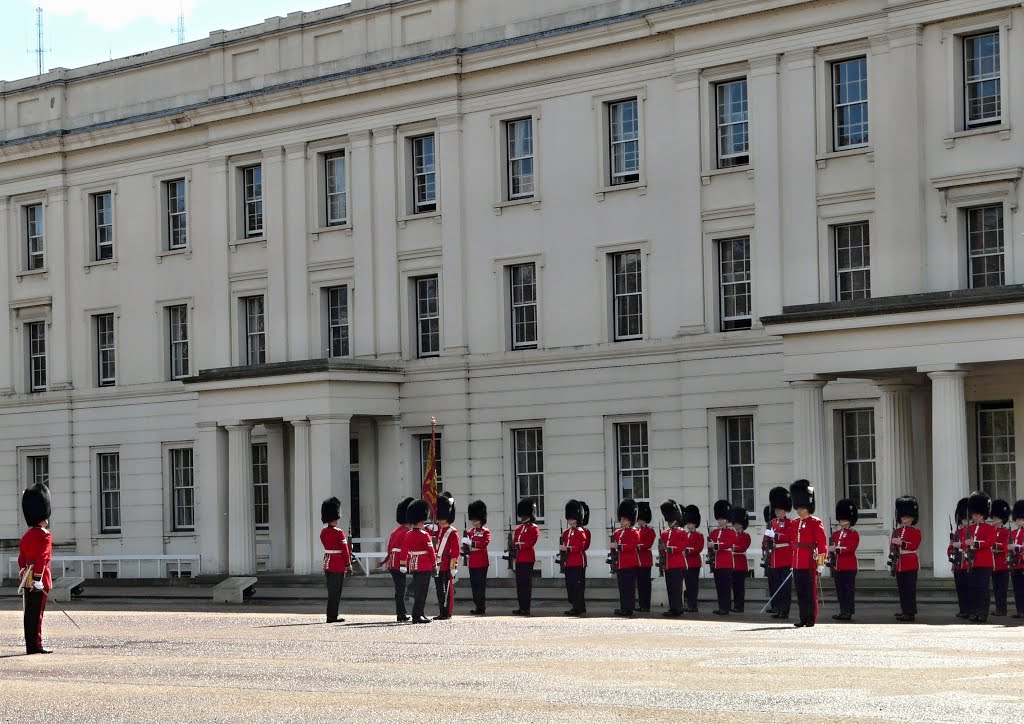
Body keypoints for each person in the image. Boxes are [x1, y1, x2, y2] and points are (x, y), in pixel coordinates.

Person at [18, 483, 53, 655]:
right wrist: (38, 579)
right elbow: (42, 558)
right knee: (37, 615)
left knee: (28, 614)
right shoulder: (45, 536)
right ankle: (36, 645)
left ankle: (30, 644)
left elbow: (22, 559)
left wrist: (26, 577)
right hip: (38, 579)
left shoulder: (25, 536)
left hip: (27, 578)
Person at [789, 479, 828, 628]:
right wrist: (793, 564)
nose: (799, 510)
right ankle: (803, 617)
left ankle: (811, 618)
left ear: (808, 506)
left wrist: (820, 563)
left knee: (811, 593)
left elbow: (822, 544)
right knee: (800, 593)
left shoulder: (815, 522)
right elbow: (794, 545)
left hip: (810, 562)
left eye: (801, 507)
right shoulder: (794, 523)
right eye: (797, 507)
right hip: (798, 563)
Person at [401, 499, 437, 624]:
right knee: (422, 592)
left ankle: (419, 614)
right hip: (424, 564)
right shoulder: (425, 535)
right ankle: (418, 615)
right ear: (421, 521)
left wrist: (402, 564)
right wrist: (434, 564)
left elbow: (404, 550)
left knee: (418, 591)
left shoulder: (408, 534)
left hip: (413, 564)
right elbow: (431, 551)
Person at [964, 490, 996, 624]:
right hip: (972, 562)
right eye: (973, 513)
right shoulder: (969, 528)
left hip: (984, 562)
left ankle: (983, 613)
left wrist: (975, 543)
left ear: (982, 514)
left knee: (983, 589)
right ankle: (975, 612)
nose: (974, 515)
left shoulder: (990, 528)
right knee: (973, 588)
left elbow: (990, 542)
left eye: (977, 513)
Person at [763, 486, 794, 620]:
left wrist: (775, 536)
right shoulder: (771, 523)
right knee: (777, 587)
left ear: (785, 510)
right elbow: (765, 540)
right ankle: (779, 609)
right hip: (774, 558)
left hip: (785, 558)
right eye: (775, 509)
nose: (777, 512)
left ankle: (785, 611)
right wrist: (767, 546)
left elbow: (789, 537)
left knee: (785, 587)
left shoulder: (790, 523)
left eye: (779, 509)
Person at [320, 497, 351, 623]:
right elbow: (345, 550)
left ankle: (331, 614)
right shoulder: (339, 533)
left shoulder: (323, 532)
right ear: (336, 517)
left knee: (331, 591)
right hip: (338, 564)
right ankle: (332, 616)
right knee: (336, 592)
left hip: (327, 562)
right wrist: (348, 564)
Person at [383, 497, 414, 622]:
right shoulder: (407, 532)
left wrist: (386, 561)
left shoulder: (395, 531)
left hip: (393, 562)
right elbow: (406, 549)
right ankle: (401, 614)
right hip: (400, 562)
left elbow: (389, 548)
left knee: (399, 589)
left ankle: (401, 612)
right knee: (401, 589)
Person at [892, 495, 922, 623]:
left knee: (909, 589)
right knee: (902, 588)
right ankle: (904, 610)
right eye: (903, 516)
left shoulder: (916, 531)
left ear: (912, 518)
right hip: (899, 562)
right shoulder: (897, 531)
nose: (905, 519)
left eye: (907, 516)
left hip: (910, 562)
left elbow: (914, 545)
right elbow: (892, 546)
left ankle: (910, 612)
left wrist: (902, 543)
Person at [830, 498, 860, 621]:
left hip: (849, 566)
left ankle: (848, 612)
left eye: (845, 520)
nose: (843, 522)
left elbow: (850, 549)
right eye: (841, 519)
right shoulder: (835, 534)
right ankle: (843, 611)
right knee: (840, 591)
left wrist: (836, 549)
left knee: (848, 590)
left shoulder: (853, 534)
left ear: (850, 521)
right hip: (838, 565)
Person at [561, 499, 591, 616]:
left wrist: (568, 548)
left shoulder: (580, 531)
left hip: (578, 561)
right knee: (571, 586)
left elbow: (581, 546)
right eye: (569, 518)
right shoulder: (566, 532)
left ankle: (578, 607)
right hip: (569, 562)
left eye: (572, 517)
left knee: (578, 585)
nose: (570, 520)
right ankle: (576, 605)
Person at [612, 498, 641, 617]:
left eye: (624, 519)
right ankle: (624, 607)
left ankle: (629, 608)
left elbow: (632, 545)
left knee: (629, 587)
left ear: (629, 521)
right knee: (622, 587)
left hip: (630, 563)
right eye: (621, 518)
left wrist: (618, 547)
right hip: (620, 563)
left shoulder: (635, 532)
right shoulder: (618, 532)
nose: (621, 521)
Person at [433, 492, 460, 620]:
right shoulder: (437, 529)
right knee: (439, 589)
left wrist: (453, 566)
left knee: (448, 589)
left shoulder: (452, 531)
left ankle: (447, 612)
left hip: (447, 564)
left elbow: (455, 551)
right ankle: (441, 611)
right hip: (437, 564)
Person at [512, 498, 540, 616]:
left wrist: (519, 546)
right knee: (520, 584)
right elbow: (514, 541)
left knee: (526, 584)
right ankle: (521, 606)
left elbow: (531, 542)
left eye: (525, 515)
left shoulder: (534, 528)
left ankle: (526, 608)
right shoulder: (519, 528)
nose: (522, 517)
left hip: (528, 558)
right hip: (519, 558)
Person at [709, 499, 736, 616]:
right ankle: (722, 607)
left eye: (723, 519)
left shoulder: (731, 532)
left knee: (725, 586)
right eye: (719, 519)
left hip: (726, 562)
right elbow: (711, 545)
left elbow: (728, 544)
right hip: (717, 562)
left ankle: (726, 607)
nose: (721, 521)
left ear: (727, 520)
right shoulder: (714, 532)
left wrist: (715, 545)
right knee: (719, 586)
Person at [660, 500, 686, 617]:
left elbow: (681, 547)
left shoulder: (682, 532)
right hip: (668, 564)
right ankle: (672, 607)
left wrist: (667, 548)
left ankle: (678, 608)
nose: (670, 522)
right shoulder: (665, 533)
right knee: (670, 588)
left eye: (671, 519)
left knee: (676, 588)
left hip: (677, 563)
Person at [464, 500, 491, 616]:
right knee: (474, 585)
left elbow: (484, 544)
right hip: (472, 562)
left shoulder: (485, 531)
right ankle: (477, 606)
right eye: (473, 519)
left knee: (480, 586)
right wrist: (464, 548)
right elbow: (467, 547)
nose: (474, 521)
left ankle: (481, 607)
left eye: (476, 519)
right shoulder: (470, 532)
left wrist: (472, 543)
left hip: (481, 562)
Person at [948, 497, 970, 619]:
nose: (964, 520)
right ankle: (963, 609)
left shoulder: (970, 531)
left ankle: (970, 610)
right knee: (960, 589)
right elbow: (949, 548)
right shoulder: (957, 533)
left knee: (968, 589)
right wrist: (952, 548)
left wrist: (961, 546)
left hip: (967, 563)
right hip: (957, 564)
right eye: (963, 518)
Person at [991, 499, 1012, 618]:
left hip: (1002, 564)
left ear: (1001, 518)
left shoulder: (1005, 531)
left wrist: (995, 546)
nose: (993, 519)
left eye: (995, 518)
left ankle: (1003, 609)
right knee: (995, 587)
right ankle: (998, 608)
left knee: (1002, 589)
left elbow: (1005, 547)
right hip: (993, 564)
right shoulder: (992, 530)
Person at [682, 504, 704, 613]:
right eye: (688, 523)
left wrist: (687, 550)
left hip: (694, 563)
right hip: (685, 562)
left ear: (695, 523)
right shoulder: (685, 534)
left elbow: (698, 548)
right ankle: (689, 604)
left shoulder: (699, 535)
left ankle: (693, 605)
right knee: (687, 585)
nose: (689, 525)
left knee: (693, 585)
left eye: (690, 523)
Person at [636, 501, 656, 613]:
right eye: (638, 519)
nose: (639, 521)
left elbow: (648, 544)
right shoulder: (636, 530)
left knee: (645, 584)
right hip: (637, 560)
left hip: (645, 559)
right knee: (639, 584)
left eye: (640, 519)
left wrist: (637, 546)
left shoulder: (650, 530)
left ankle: (646, 606)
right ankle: (641, 604)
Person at [730, 506, 751, 613]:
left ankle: (739, 606)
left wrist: (732, 548)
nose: (735, 525)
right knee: (733, 586)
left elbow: (743, 547)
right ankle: (734, 605)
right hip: (731, 563)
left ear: (742, 524)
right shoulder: (731, 534)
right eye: (734, 523)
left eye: (737, 523)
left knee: (739, 587)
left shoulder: (746, 536)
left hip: (740, 563)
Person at [1011, 500, 1024, 619]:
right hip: (1015, 564)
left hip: (1023, 563)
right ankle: (1020, 610)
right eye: (1017, 519)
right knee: (1017, 589)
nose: (1018, 521)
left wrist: (1020, 548)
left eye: (1020, 519)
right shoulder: (1014, 532)